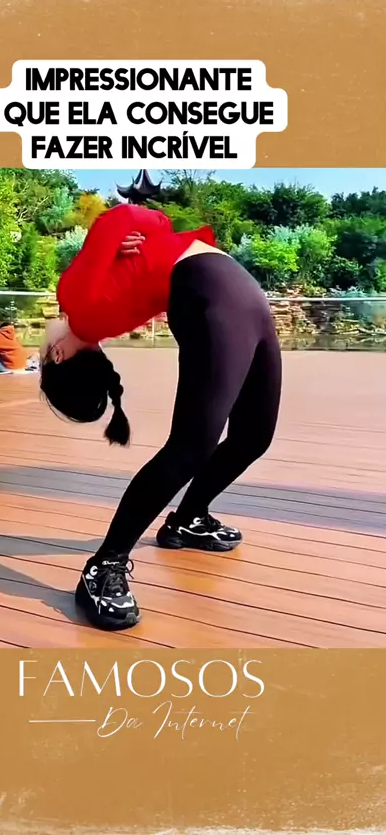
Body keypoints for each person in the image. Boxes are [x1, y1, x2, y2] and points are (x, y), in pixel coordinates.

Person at [40, 204, 282, 632]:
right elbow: (124, 219)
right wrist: (148, 231)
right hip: (217, 288)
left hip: (231, 290)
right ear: (56, 355)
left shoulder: (88, 310)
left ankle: (188, 520)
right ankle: (104, 565)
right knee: (193, 446)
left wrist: (122, 243)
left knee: (253, 435)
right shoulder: (82, 310)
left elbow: (120, 227)